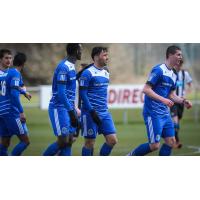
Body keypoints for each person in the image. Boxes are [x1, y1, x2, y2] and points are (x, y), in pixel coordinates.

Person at [127, 45, 192, 156]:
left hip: (165, 114)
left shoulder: (174, 74)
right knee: (154, 146)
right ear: (170, 55)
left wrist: (183, 101)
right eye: (178, 55)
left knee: (171, 141)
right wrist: (163, 100)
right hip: (153, 113)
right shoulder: (159, 70)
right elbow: (146, 89)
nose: (180, 57)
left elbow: (171, 94)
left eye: (181, 55)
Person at [43, 43, 82, 156]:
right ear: (76, 51)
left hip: (67, 108)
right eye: (80, 50)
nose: (81, 52)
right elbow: (61, 93)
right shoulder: (63, 67)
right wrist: (71, 112)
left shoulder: (71, 67)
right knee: (63, 140)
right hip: (59, 108)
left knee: (69, 140)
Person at [79, 47, 117, 156]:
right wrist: (91, 111)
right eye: (104, 55)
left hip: (104, 112)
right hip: (90, 113)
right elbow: (82, 94)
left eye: (107, 55)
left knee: (112, 140)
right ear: (96, 57)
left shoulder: (106, 72)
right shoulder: (87, 73)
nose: (107, 58)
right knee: (89, 143)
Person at [0, 50, 30, 156]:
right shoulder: (14, 73)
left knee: (5, 142)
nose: (8, 60)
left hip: (1, 112)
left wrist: (23, 92)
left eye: (10, 58)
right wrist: (21, 112)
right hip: (11, 112)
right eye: (6, 58)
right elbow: (13, 94)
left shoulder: (7, 74)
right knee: (25, 141)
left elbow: (11, 87)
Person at [171, 59, 192, 148]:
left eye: (180, 64)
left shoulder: (184, 74)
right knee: (175, 121)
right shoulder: (171, 73)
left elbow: (189, 84)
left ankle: (172, 138)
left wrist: (186, 93)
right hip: (173, 100)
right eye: (177, 64)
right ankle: (176, 141)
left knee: (177, 123)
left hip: (181, 101)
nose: (178, 66)